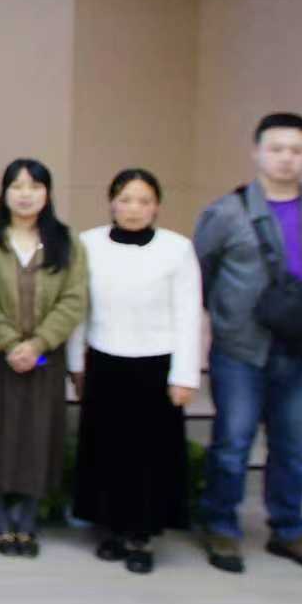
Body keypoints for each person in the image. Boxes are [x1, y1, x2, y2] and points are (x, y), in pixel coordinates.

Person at [192, 112, 302, 576]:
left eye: (296, 150)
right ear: (256, 152)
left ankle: (290, 529)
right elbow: (201, 272)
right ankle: (221, 525)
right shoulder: (226, 213)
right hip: (241, 348)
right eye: (276, 149)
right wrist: (222, 322)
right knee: (232, 442)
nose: (286, 158)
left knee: (293, 446)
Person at [71, 168, 202, 574]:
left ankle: (142, 535)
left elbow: (188, 315)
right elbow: (78, 309)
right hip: (105, 360)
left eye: (144, 201)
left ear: (157, 206)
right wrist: (76, 364)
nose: (133, 209)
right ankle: (110, 529)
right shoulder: (88, 244)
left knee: (150, 455)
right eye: (125, 199)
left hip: (156, 364)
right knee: (107, 450)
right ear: (111, 202)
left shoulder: (177, 249)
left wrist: (185, 375)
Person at [0, 157, 88, 559]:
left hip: (44, 359)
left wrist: (37, 345)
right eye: (16, 186)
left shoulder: (67, 241)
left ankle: (29, 520)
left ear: (47, 194)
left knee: (38, 434)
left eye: (34, 186)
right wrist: (8, 342)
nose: (25, 194)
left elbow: (74, 298)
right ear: (4, 193)